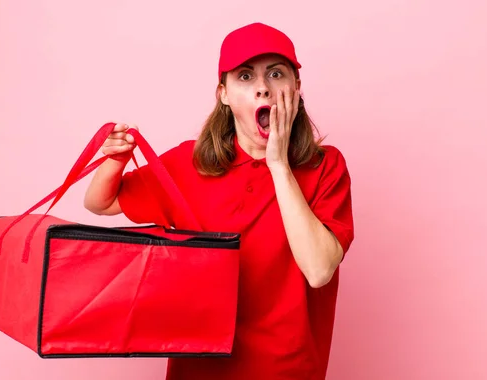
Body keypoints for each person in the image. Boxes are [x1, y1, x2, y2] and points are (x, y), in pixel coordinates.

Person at [83, 22, 354, 380]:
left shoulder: (326, 167)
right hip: (198, 368)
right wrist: (115, 160)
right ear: (223, 93)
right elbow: (100, 203)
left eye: (276, 73)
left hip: (287, 370)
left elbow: (319, 270)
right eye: (245, 77)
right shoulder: (190, 163)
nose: (262, 88)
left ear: (296, 88)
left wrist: (278, 164)